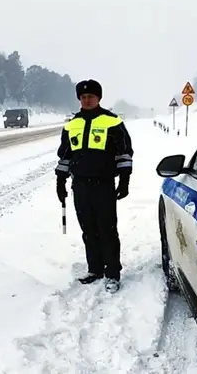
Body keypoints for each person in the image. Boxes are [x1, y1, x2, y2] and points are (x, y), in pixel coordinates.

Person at [55, 79, 134, 293]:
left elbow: (124, 153)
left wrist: (124, 180)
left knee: (107, 230)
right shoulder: (71, 125)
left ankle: (112, 273)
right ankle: (95, 269)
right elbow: (64, 155)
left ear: (99, 98)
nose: (86, 99)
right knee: (88, 229)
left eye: (90, 96)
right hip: (80, 185)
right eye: (83, 97)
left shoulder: (112, 122)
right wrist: (60, 181)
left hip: (104, 185)